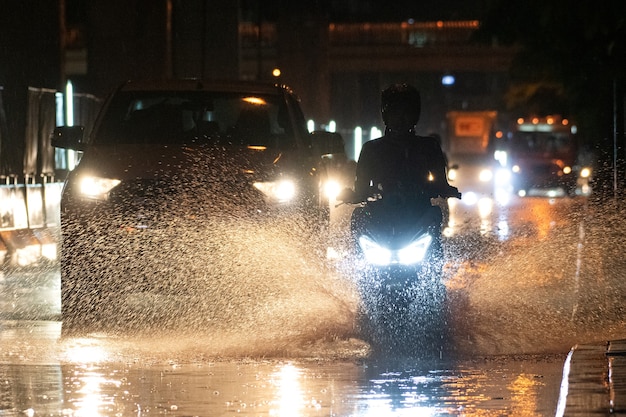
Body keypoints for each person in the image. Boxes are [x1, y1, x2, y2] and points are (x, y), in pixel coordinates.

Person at [342, 83, 458, 215]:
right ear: (386, 114)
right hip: (380, 215)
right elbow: (361, 187)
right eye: (395, 112)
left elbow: (440, 181)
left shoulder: (429, 146)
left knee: (435, 214)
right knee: (358, 216)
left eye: (407, 112)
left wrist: (445, 189)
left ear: (415, 115)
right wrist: (353, 195)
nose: (401, 118)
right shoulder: (371, 148)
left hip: (418, 214)